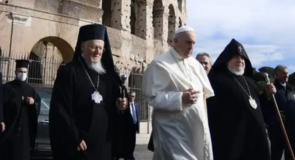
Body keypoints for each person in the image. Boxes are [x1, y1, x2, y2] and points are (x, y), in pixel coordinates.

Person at [49, 24, 133, 160]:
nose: (97, 51)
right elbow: (60, 108)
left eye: (101, 48)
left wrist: (121, 106)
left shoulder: (109, 77)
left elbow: (116, 109)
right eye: (93, 47)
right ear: (82, 46)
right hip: (80, 146)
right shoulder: (69, 72)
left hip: (104, 147)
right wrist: (74, 137)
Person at [142, 26, 214, 160]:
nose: (191, 46)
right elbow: (151, 97)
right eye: (188, 42)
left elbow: (204, 96)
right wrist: (180, 98)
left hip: (197, 129)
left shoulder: (196, 65)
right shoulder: (159, 63)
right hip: (172, 129)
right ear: (175, 41)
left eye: (193, 43)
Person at [207, 38, 271, 160]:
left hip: (255, 137)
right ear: (227, 60)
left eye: (242, 58)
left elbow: (257, 106)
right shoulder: (216, 80)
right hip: (230, 137)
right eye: (235, 57)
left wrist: (267, 96)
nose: (240, 60)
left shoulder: (250, 82)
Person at [0, 60, 41, 160]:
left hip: (25, 130)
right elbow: (2, 105)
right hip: (11, 128)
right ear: (15, 72)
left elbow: (37, 103)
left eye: (24, 72)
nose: (22, 74)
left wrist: (32, 102)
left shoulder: (31, 90)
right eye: (20, 72)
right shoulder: (7, 88)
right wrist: (18, 101)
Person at [261, 65, 295, 160]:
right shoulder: (271, 89)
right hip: (278, 131)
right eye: (283, 73)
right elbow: (263, 107)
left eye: (287, 73)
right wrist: (274, 116)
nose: (286, 75)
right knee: (276, 156)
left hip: (293, 131)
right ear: (276, 75)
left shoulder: (290, 90)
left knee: (293, 156)